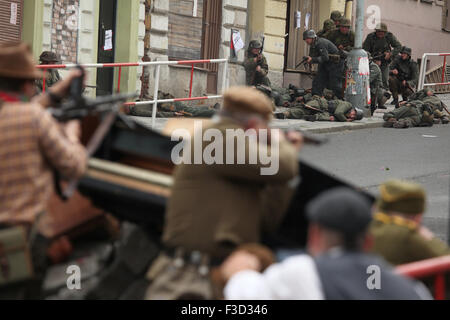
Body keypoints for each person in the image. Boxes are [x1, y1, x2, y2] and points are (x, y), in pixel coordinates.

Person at [162, 86, 302, 262]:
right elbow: (284, 166)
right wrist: (280, 142)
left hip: (211, 260)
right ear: (252, 125)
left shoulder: (217, 136)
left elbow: (266, 218)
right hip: (197, 273)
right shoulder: (220, 137)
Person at [221, 187, 432, 300]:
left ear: (314, 234)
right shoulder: (412, 289)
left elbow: (248, 296)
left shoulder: (303, 272)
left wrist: (242, 272)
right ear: (368, 240)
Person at [0, 42, 87, 298]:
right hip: (22, 239)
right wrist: (72, 133)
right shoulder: (34, 119)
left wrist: (58, 91)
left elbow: (21, 111)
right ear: (27, 84)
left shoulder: (20, 113)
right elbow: (74, 166)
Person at [370, 180, 450, 266]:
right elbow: (444, 260)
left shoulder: (364, 226)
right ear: (417, 216)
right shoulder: (407, 237)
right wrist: (428, 237)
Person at [303, 30, 345, 99]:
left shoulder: (321, 43)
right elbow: (313, 56)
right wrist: (309, 60)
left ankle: (340, 100)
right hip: (326, 63)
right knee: (317, 81)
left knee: (335, 84)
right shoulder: (313, 45)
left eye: (307, 38)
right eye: (305, 39)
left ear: (313, 38)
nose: (306, 40)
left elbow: (325, 57)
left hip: (336, 64)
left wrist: (313, 59)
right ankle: (316, 98)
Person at [363, 23, 402, 89]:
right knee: (370, 80)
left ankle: (383, 95)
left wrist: (390, 54)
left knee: (384, 81)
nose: (380, 33)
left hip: (384, 62)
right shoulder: (370, 37)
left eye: (382, 32)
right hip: (371, 62)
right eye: (378, 31)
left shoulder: (389, 36)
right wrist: (372, 60)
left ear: (385, 32)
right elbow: (365, 51)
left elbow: (399, 46)